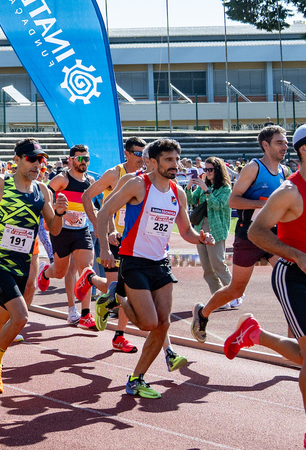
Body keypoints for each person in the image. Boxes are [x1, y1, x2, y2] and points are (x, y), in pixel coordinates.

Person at [225, 123, 306, 450]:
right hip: (292, 276)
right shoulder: (289, 192)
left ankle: (255, 334)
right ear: (304, 150)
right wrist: (296, 255)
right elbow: (256, 232)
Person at [97, 139, 213, 399]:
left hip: (160, 263)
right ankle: (116, 295)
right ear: (152, 161)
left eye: (177, 159)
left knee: (162, 324)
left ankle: (136, 379)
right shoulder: (137, 184)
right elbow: (104, 212)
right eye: (169, 160)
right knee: (148, 323)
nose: (175, 165)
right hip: (134, 260)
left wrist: (201, 238)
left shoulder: (178, 192)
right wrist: (104, 249)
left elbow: (186, 231)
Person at [0, 140, 66, 405]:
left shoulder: (42, 190)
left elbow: (54, 229)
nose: (37, 164)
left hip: (21, 263)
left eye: (41, 160)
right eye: (31, 159)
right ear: (17, 160)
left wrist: (60, 213)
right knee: (21, 316)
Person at [191, 126, 290, 342]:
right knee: (236, 290)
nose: (285, 146)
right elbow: (233, 201)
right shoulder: (254, 168)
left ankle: (297, 341)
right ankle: (203, 313)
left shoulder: (284, 171)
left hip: (273, 235)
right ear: (265, 145)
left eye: (285, 142)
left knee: (290, 282)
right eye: (279, 142)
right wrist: (264, 204)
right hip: (249, 235)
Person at [81, 137, 146, 353]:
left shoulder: (146, 176)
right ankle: (90, 278)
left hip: (135, 240)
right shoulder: (114, 174)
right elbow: (87, 196)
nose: (141, 157)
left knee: (128, 290)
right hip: (114, 239)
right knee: (118, 290)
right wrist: (99, 226)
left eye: (144, 153)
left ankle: (119, 336)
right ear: (126, 153)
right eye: (137, 153)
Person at [38, 144, 97, 328]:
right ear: (71, 160)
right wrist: (61, 212)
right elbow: (44, 197)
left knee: (86, 269)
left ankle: (85, 314)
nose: (84, 162)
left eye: (87, 159)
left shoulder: (90, 181)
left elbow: (91, 206)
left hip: (81, 230)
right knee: (61, 271)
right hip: (61, 231)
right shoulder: (62, 179)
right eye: (80, 158)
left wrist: (98, 222)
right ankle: (45, 272)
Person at [187, 156, 233, 298]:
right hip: (201, 228)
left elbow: (217, 205)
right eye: (205, 169)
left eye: (210, 169)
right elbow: (190, 200)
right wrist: (188, 187)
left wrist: (207, 190)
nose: (207, 172)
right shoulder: (203, 186)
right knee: (207, 268)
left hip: (216, 228)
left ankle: (235, 293)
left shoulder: (225, 189)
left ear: (218, 170)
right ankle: (219, 297)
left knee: (218, 264)